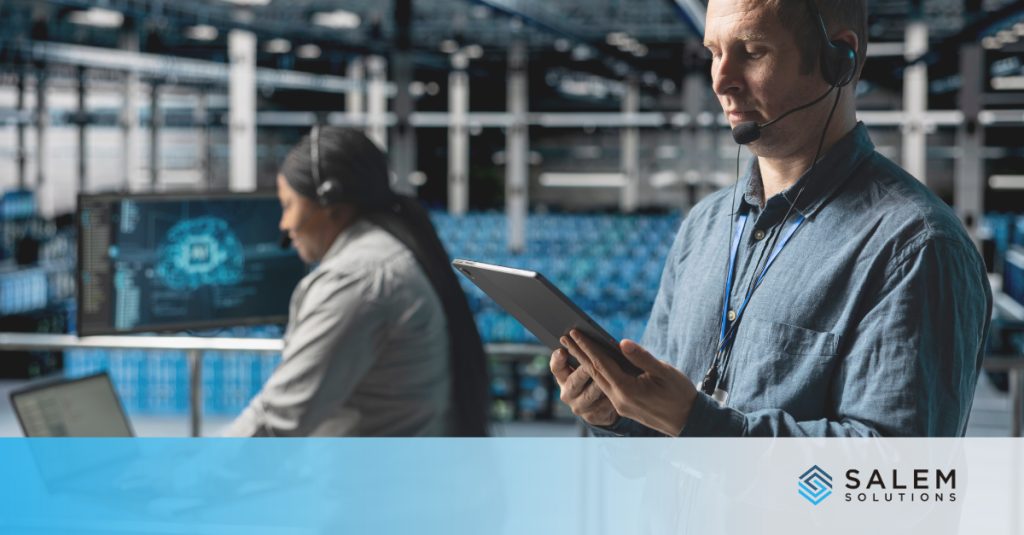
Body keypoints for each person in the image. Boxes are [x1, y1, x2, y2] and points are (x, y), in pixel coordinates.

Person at [551, 0, 992, 437]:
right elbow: (660, 425)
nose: (722, 81)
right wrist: (618, 415)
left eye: (752, 51)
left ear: (837, 58)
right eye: (715, 53)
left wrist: (700, 424)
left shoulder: (914, 246)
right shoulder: (704, 225)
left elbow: (893, 485)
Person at [226, 126, 489, 437]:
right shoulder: (387, 250)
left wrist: (186, 477)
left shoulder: (356, 279)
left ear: (330, 204)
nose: (284, 225)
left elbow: (276, 421)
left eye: (288, 206)